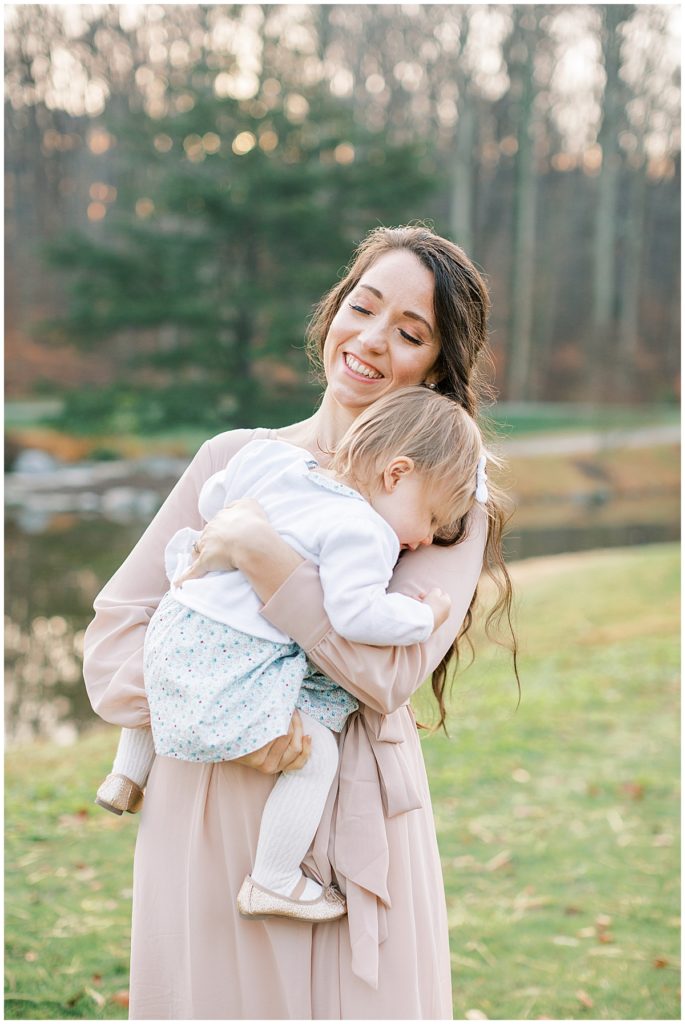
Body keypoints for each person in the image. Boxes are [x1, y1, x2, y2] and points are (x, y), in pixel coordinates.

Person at [83, 224, 515, 1019]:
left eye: (410, 332)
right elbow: (117, 632)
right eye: (363, 306)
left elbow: (386, 674)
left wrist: (261, 555)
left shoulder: (444, 500)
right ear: (334, 311)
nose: (372, 339)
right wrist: (216, 713)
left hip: (340, 804)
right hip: (202, 795)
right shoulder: (234, 458)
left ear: (436, 367)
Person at [93, 387, 488, 924]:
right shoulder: (364, 530)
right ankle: (274, 879)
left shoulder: (275, 460)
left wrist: (242, 530)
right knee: (316, 757)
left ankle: (125, 774)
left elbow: (215, 499)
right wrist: (426, 616)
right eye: (432, 518)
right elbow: (356, 615)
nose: (423, 540)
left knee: (168, 672)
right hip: (240, 651)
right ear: (396, 475)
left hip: (182, 618)